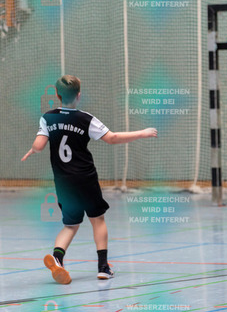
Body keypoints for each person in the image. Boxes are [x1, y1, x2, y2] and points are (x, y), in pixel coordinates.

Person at [22, 75, 157, 284]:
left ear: (57, 95)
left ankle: (57, 258)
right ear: (78, 95)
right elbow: (112, 138)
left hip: (63, 181)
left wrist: (32, 149)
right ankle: (103, 267)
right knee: (97, 219)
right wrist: (142, 133)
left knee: (70, 225)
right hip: (85, 178)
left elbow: (39, 146)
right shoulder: (85, 119)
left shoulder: (48, 118)